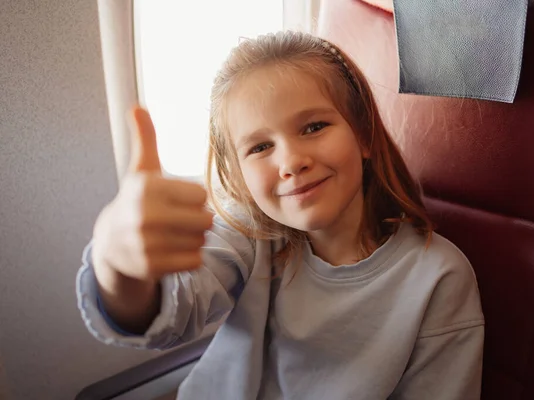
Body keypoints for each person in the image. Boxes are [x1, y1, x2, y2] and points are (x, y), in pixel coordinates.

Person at [76, 30, 484, 399]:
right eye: (260, 147)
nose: (290, 161)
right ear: (238, 175)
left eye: (313, 127)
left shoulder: (438, 277)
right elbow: (173, 313)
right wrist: (118, 264)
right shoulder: (247, 234)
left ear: (362, 134)